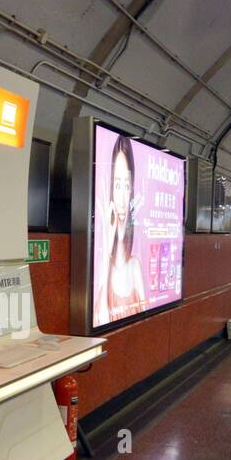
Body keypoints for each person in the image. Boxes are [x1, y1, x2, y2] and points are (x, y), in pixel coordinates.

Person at [93, 134, 147, 327]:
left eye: (126, 185)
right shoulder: (103, 269)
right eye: (117, 185)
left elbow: (145, 323)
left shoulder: (135, 266)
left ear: (132, 187)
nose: (123, 196)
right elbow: (102, 321)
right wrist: (107, 246)